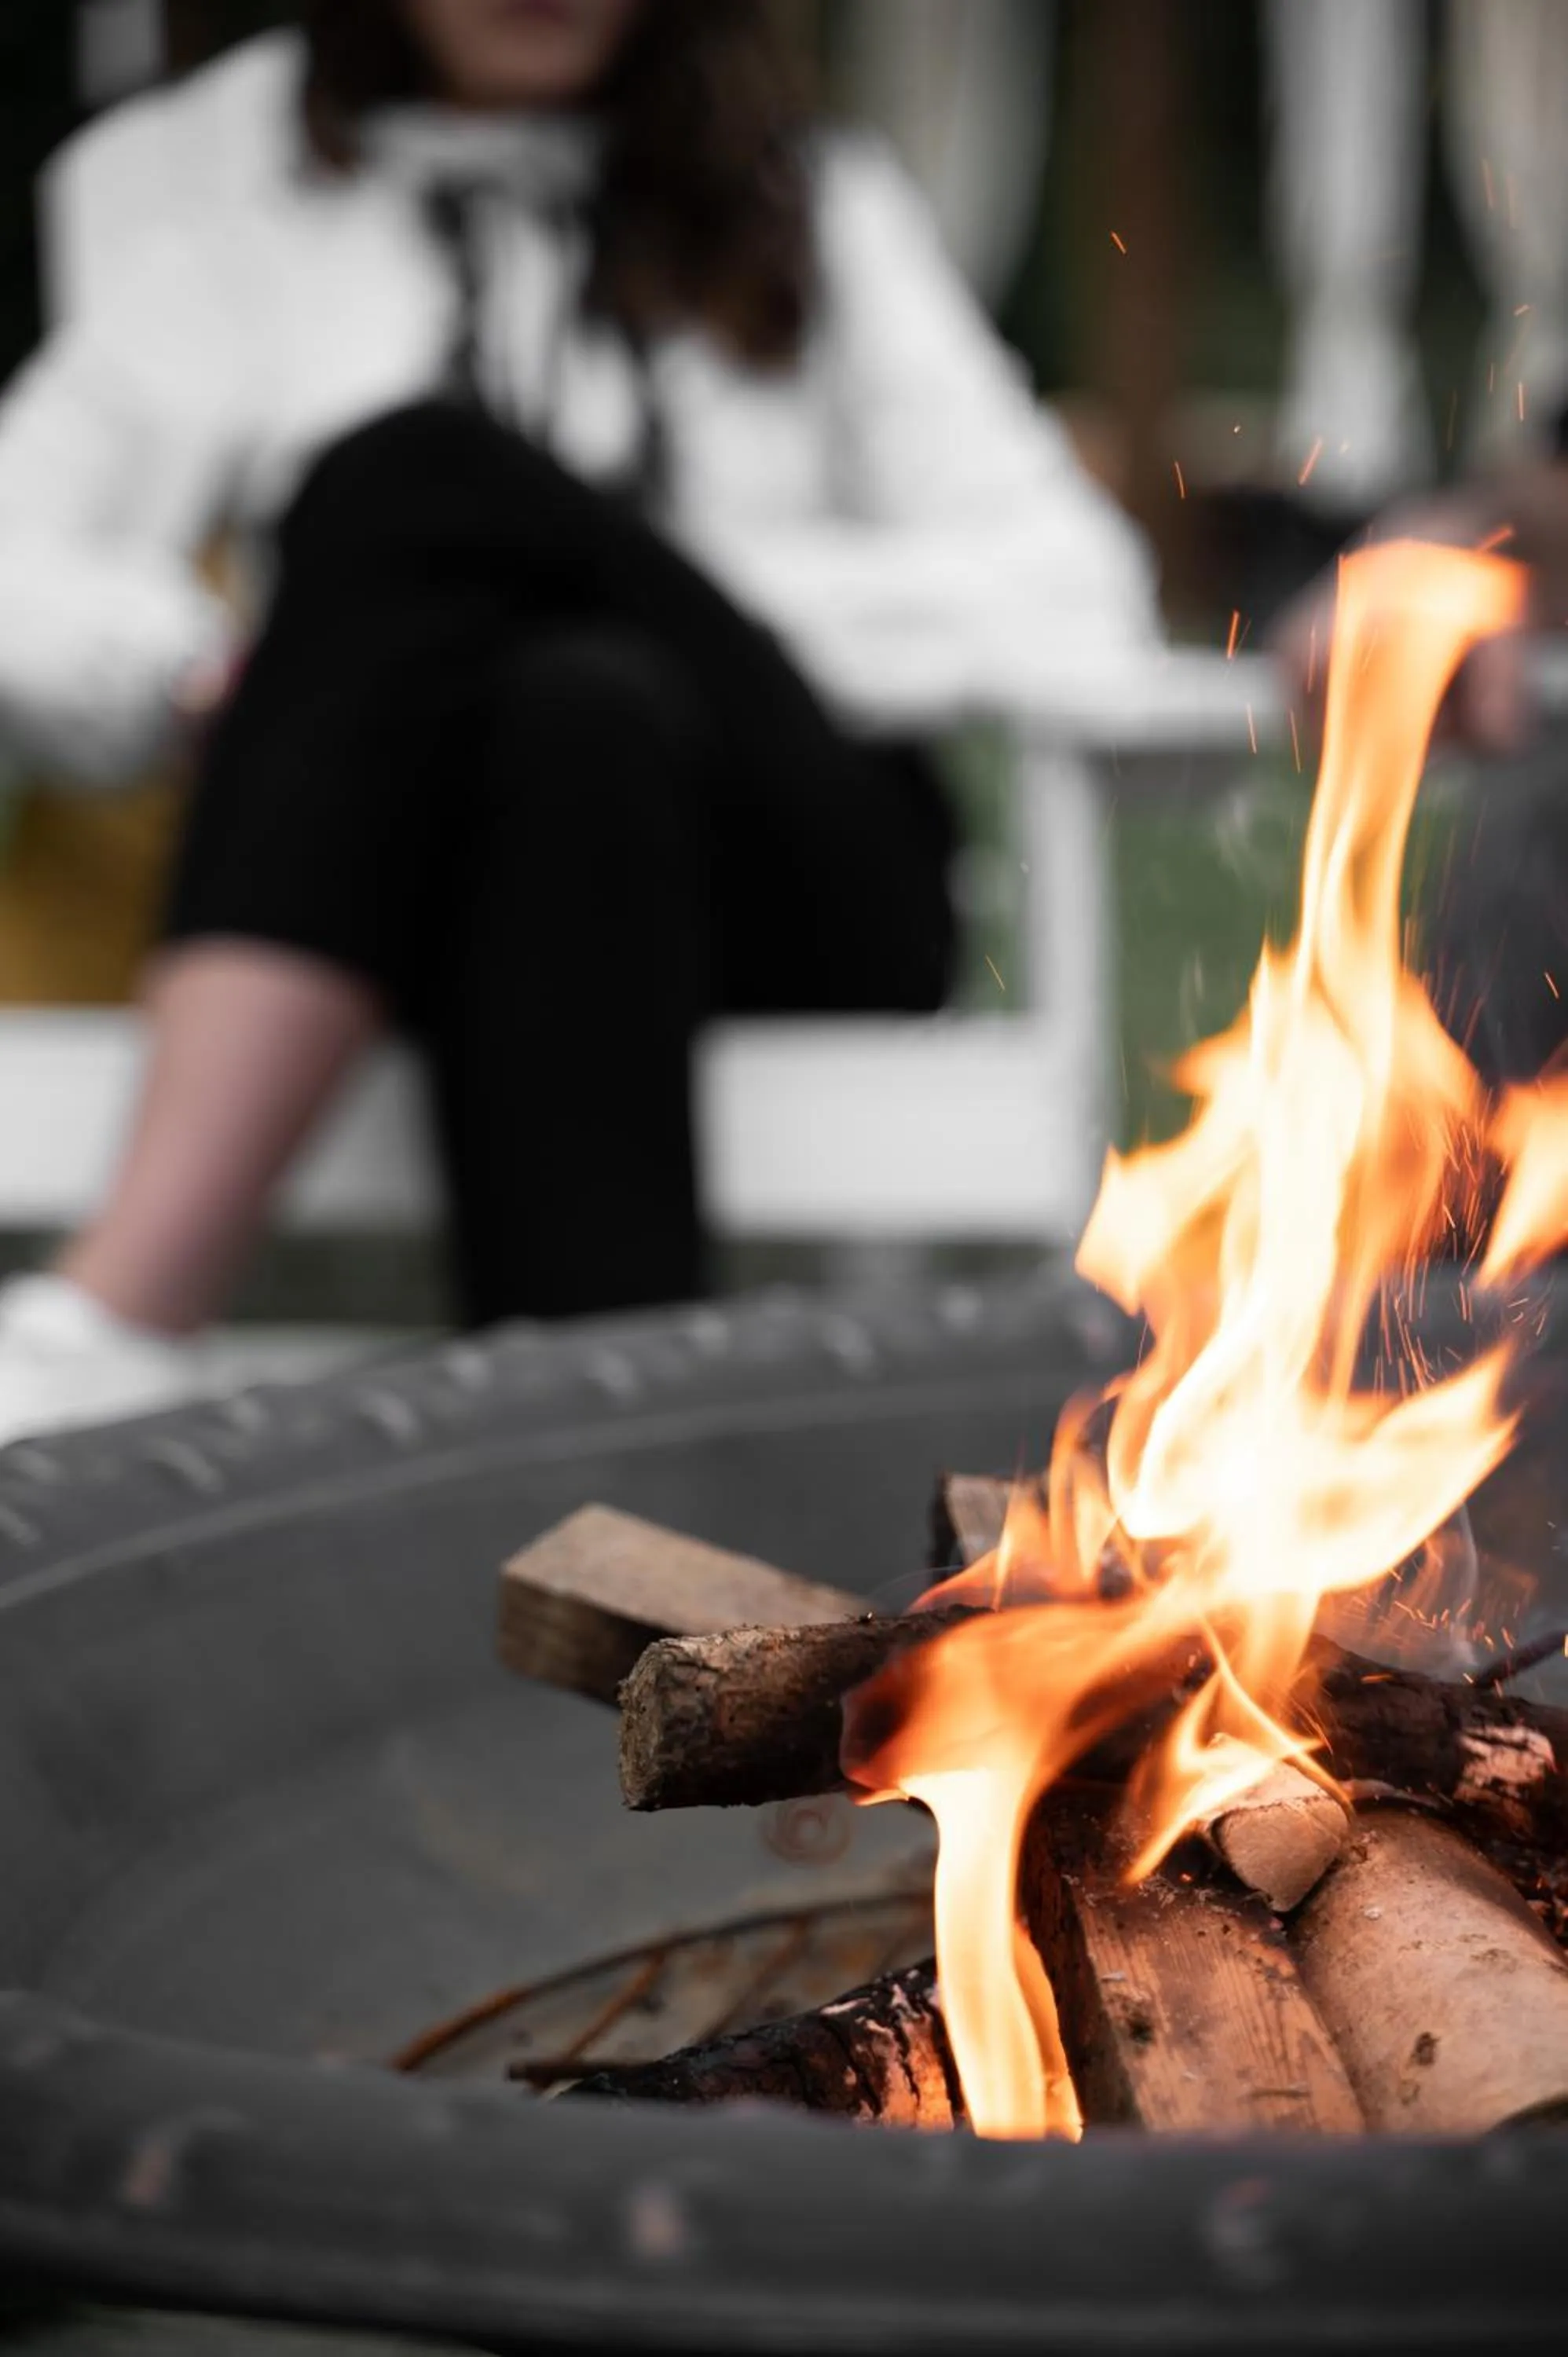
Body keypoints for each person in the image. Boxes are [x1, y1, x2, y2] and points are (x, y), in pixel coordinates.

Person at [0, 0, 1157, 1442]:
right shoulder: (241, 208)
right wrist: (195, 670)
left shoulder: (814, 201)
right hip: (429, 888)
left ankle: (127, 1304)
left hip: (800, 884)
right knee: (568, 713)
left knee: (422, 483)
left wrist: (636, 577)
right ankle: (597, 1488)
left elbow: (1069, 588)